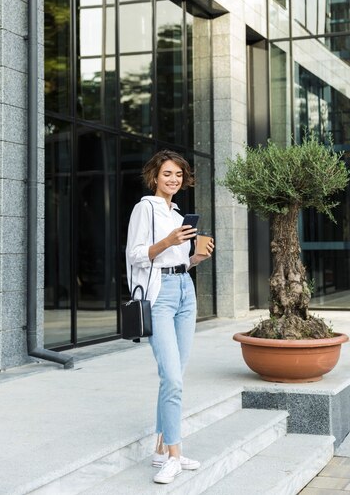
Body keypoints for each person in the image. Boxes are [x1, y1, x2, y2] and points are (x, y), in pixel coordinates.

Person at [126, 150, 214, 485]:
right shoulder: (144, 208)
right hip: (159, 295)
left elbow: (181, 261)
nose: (173, 179)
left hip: (185, 291)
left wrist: (196, 257)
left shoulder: (178, 213)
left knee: (174, 377)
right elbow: (135, 255)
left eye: (178, 174)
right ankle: (174, 455)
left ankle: (162, 449)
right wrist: (167, 241)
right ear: (154, 176)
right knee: (173, 378)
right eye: (167, 174)